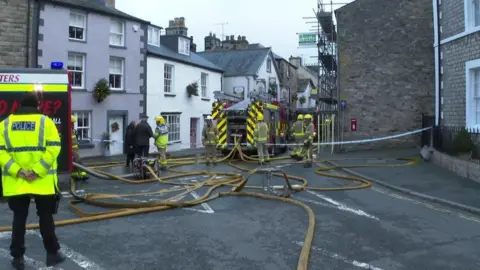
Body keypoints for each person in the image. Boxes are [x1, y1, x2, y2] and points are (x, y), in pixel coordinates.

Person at [0, 92, 65, 269]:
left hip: (17, 181)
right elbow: (53, 149)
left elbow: (1, 152)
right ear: (38, 106)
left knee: (19, 218)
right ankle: (52, 252)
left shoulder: (5, 124)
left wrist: (18, 171)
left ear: (19, 106)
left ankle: (17, 258)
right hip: (41, 181)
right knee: (45, 217)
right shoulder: (46, 122)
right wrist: (36, 171)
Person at [71, 115, 88, 182]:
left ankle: (76, 174)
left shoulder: (72, 130)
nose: (73, 124)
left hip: (75, 149)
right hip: (72, 150)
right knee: (78, 161)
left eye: (73, 123)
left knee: (75, 162)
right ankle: (83, 174)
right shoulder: (68, 130)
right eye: (72, 123)